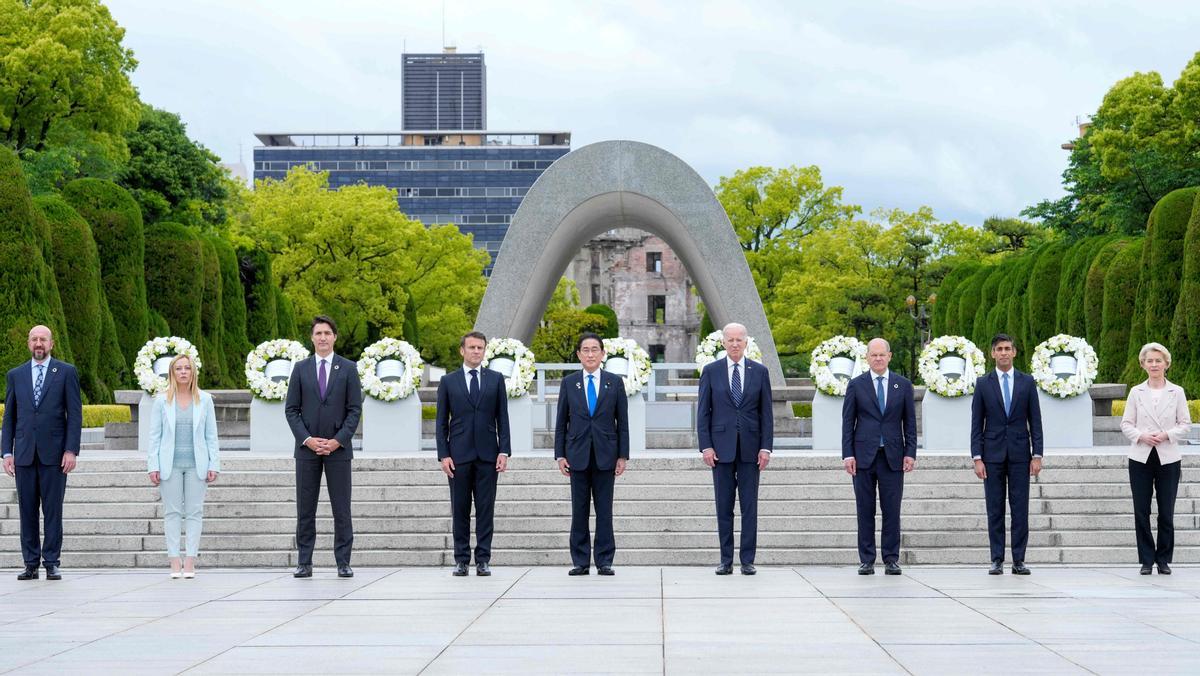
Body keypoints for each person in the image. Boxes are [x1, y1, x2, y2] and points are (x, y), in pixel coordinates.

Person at [285, 315, 363, 579]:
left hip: (338, 451)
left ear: (335, 337)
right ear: (311, 337)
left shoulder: (348, 368)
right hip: (307, 451)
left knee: (341, 508)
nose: (323, 338)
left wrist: (337, 440)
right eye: (318, 333)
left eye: (327, 333)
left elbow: (354, 410)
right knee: (305, 508)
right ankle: (304, 562)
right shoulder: (300, 368)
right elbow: (291, 410)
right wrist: (307, 439)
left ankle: (343, 562)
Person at [2, 325, 82, 581]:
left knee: (52, 510)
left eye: (43, 340)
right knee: (27, 511)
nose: (39, 343)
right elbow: (10, 417)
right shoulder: (16, 375)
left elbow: (75, 415)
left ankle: (51, 562)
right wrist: (6, 452)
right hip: (24, 454)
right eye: (35, 339)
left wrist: (71, 450)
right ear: (29, 343)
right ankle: (30, 563)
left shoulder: (66, 372)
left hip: (55, 455)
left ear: (51, 344)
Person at [697, 322, 774, 575]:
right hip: (720, 449)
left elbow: (766, 414)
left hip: (751, 450)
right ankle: (726, 559)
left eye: (739, 339)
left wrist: (766, 448)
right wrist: (706, 446)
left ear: (746, 342)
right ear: (723, 343)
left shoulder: (759, 372)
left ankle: (748, 560)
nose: (734, 343)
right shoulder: (711, 371)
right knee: (724, 506)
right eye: (730, 340)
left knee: (749, 506)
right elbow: (703, 413)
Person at [436, 331, 512, 577]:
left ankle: (483, 559)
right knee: (459, 509)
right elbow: (441, 423)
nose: (476, 351)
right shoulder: (449, 381)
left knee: (485, 509)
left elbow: (503, 417)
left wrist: (504, 450)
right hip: (458, 456)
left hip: (488, 455)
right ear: (462, 350)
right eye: (472, 347)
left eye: (480, 348)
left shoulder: (495, 379)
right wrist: (443, 455)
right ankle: (461, 559)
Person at [554, 332, 629, 576]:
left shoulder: (614, 382)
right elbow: (561, 422)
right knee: (580, 510)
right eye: (585, 350)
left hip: (606, 455)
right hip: (577, 454)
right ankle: (580, 560)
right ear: (578, 354)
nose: (590, 354)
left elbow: (623, 422)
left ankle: (605, 560)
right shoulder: (569, 382)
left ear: (602, 354)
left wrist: (622, 455)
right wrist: (559, 454)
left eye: (594, 349)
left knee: (605, 510)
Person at [842, 337, 916, 575]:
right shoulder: (856, 385)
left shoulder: (903, 385)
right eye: (873, 355)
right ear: (867, 358)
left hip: (893, 457)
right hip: (863, 457)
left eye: (882, 354)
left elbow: (910, 424)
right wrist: (848, 454)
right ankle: (867, 559)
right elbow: (847, 423)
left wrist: (910, 453)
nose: (878, 358)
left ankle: (891, 559)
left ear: (889, 356)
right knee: (865, 509)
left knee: (892, 510)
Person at [970, 333, 1043, 575]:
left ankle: (1019, 560)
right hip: (992, 456)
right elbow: (976, 423)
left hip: (1021, 455)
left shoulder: (1027, 382)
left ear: (1014, 352)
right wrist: (977, 457)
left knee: (1020, 508)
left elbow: (1036, 420)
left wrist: (1037, 454)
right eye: (999, 349)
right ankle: (997, 559)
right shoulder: (983, 384)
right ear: (992, 353)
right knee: (995, 508)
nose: (1003, 352)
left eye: (1007, 348)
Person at [147, 354, 220, 578]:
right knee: (172, 512)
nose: (183, 372)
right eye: (178, 368)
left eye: (187, 368)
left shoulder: (205, 400)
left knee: (194, 512)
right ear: (172, 373)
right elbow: (154, 436)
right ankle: (174, 562)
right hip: (170, 465)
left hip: (197, 464)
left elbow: (211, 436)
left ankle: (190, 562)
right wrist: (153, 465)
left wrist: (214, 464)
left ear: (193, 372)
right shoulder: (161, 401)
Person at [1121, 342, 1190, 575]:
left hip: (1168, 457)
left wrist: (1166, 434)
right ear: (1143, 364)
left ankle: (1163, 559)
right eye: (1149, 361)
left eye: (1158, 360)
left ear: (1166, 364)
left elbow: (1185, 425)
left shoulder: (1177, 391)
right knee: (1141, 510)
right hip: (1140, 457)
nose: (1154, 364)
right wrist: (1141, 436)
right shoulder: (1136, 392)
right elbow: (1126, 424)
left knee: (1166, 511)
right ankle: (1146, 560)